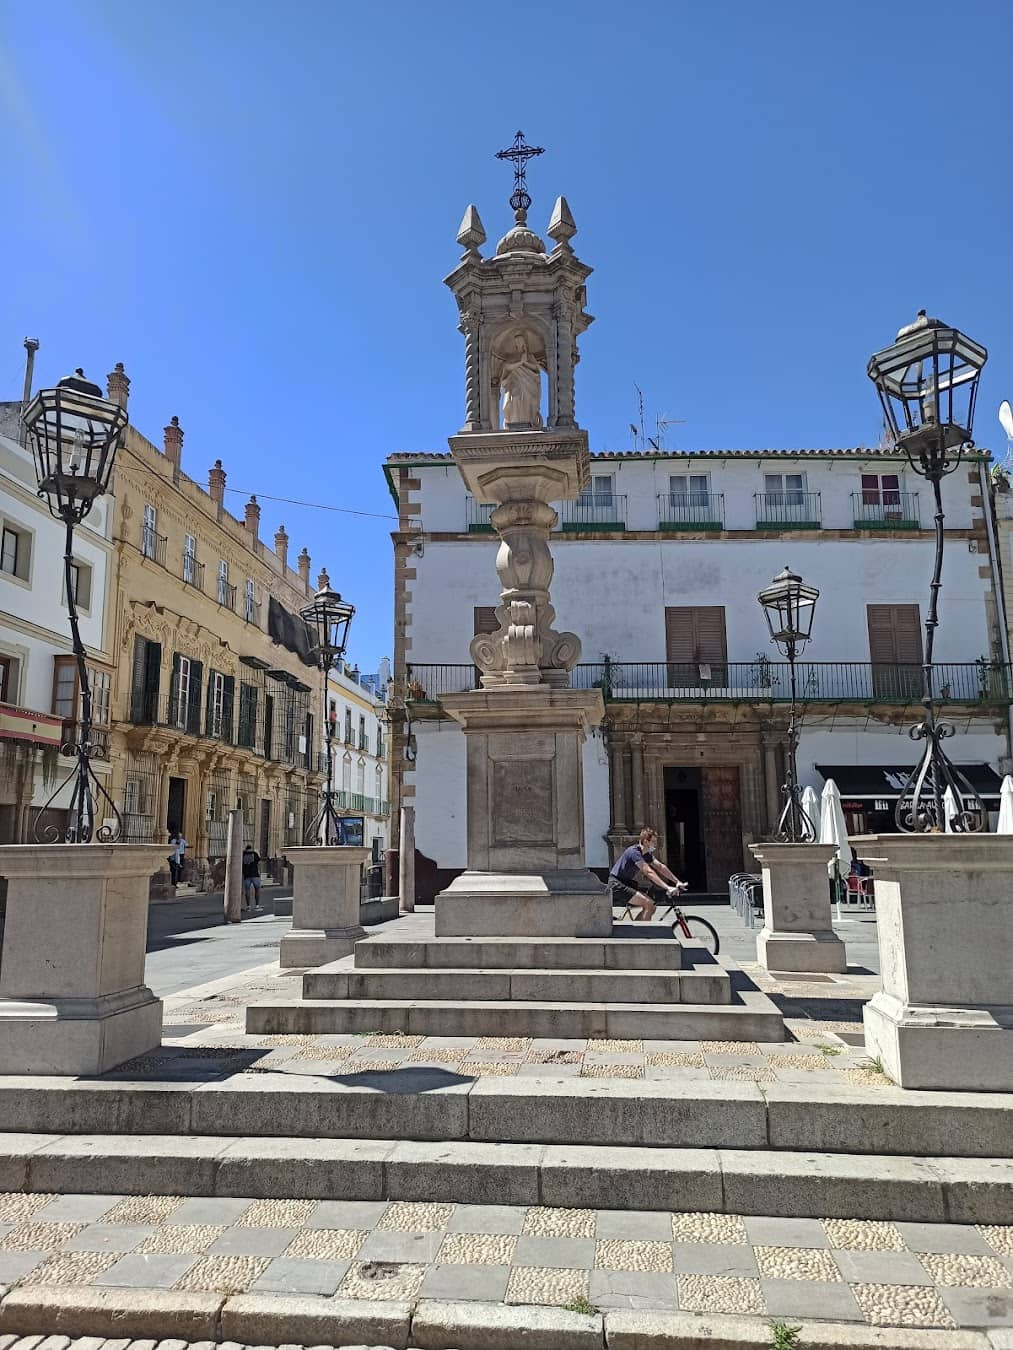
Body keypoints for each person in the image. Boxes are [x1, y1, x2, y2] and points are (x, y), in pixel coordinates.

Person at [608, 827, 688, 921]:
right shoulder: (634, 852)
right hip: (617, 885)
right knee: (648, 904)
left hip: (626, 883)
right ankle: (642, 933)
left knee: (652, 906)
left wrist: (677, 881)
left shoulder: (646, 854)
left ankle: (637, 931)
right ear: (646, 841)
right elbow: (648, 872)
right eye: (653, 842)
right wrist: (667, 887)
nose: (655, 845)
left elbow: (660, 867)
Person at [241, 844, 262, 912]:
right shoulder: (254, 854)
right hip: (255, 874)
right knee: (257, 889)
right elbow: (259, 863)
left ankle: (248, 906)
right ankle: (257, 906)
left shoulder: (243, 854)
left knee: (247, 890)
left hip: (246, 875)